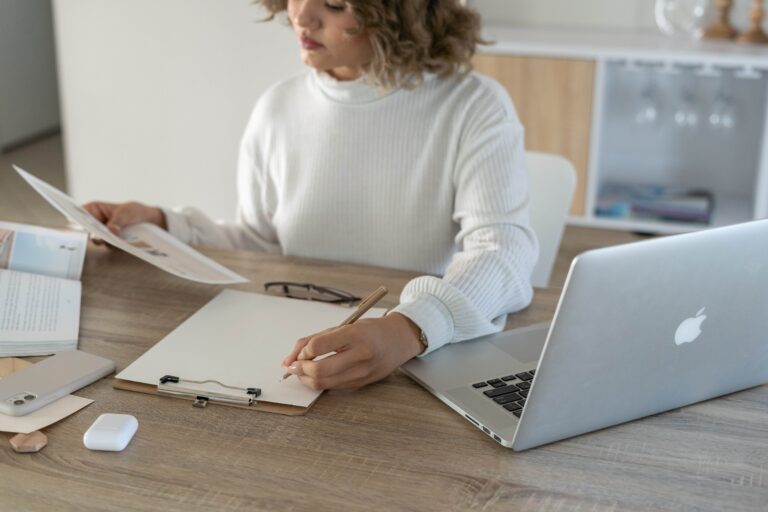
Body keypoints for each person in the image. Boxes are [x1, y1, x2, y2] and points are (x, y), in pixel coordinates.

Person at [83, 0, 538, 391]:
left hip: (417, 363)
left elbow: (505, 252)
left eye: (336, 4)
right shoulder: (278, 107)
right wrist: (162, 224)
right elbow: (261, 243)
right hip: (299, 356)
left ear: (403, 11)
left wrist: (410, 328)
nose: (301, 16)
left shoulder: (473, 106)